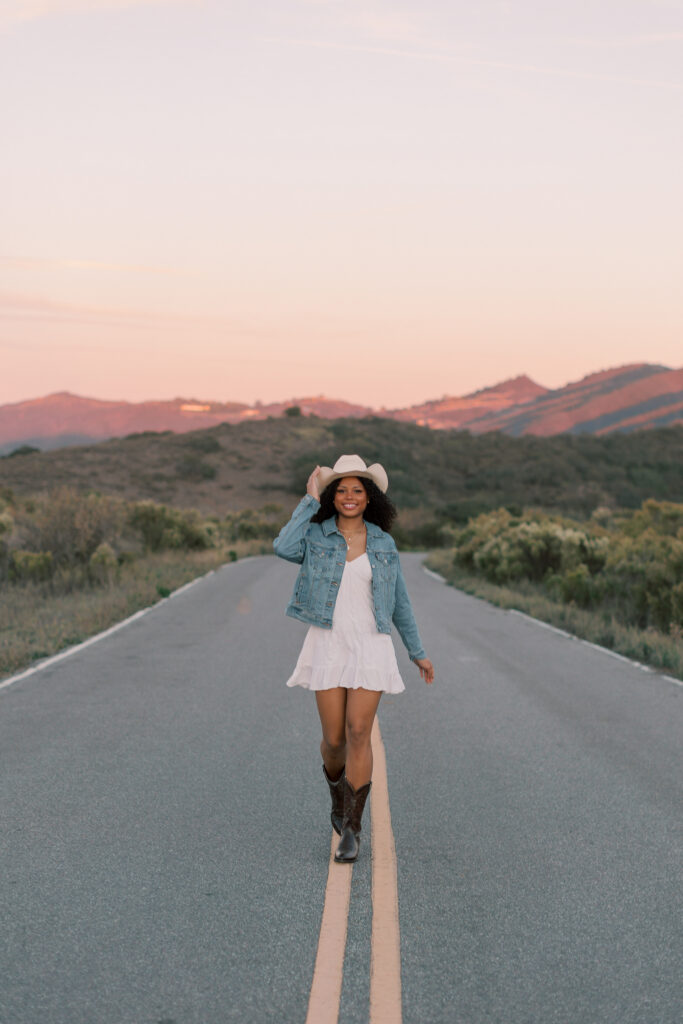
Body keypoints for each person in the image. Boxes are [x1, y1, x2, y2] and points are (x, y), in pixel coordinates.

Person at [273, 454, 435, 863]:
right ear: (333, 497)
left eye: (357, 491)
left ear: (369, 498)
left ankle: (353, 828)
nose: (349, 497)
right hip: (328, 643)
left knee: (359, 730)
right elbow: (281, 546)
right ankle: (336, 794)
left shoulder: (383, 543)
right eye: (341, 490)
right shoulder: (315, 535)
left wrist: (418, 652)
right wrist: (308, 501)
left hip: (370, 645)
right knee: (334, 740)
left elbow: (399, 602)